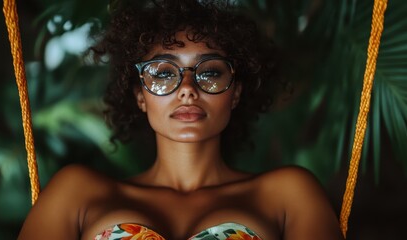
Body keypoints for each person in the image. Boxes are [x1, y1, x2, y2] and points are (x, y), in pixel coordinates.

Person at [18, 0, 344, 239]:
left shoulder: (287, 194)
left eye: (210, 72)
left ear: (236, 92)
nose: (187, 89)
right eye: (163, 72)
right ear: (139, 96)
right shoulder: (79, 193)